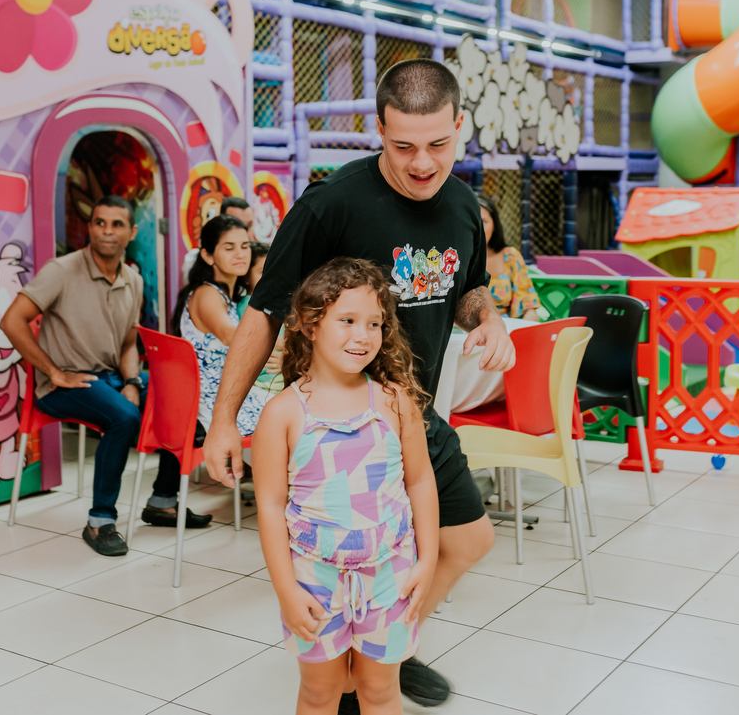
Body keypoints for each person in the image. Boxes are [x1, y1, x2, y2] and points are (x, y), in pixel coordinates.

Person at [204, 58, 513, 712]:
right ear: (378, 129)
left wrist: (490, 318)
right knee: (343, 559)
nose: (422, 163)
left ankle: (384, 650)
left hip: (415, 414)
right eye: (403, 146)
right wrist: (226, 417)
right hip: (342, 423)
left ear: (460, 126)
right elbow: (263, 309)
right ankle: (354, 672)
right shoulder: (331, 204)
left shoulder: (462, 205)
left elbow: (469, 289)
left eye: (437, 144)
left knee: (468, 539)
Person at [254, 258, 438, 715]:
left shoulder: (395, 401)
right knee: (321, 692)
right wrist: (286, 591)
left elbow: (420, 480)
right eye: (348, 321)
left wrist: (428, 558)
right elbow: (270, 506)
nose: (363, 335)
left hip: (390, 572)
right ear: (310, 326)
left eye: (375, 323)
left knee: (379, 690)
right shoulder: (282, 414)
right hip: (313, 578)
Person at [1, 195, 212, 558]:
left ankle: (162, 503)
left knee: (184, 409)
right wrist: (53, 371)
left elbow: (129, 343)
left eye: (116, 225)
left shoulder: (132, 279)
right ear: (90, 227)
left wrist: (133, 382)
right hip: (63, 385)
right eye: (100, 223)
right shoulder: (62, 270)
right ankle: (100, 521)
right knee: (125, 418)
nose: (107, 231)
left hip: (111, 380)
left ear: (131, 232)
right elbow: (11, 321)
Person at [172, 215, 267, 434]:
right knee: (290, 416)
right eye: (229, 248)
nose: (240, 254)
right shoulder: (207, 294)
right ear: (207, 255)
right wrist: (283, 344)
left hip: (230, 388)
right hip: (214, 399)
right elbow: (229, 335)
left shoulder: (228, 294)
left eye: (245, 246)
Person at [478, 195, 541, 320]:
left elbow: (528, 307)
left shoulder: (511, 256)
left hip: (505, 330)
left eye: (484, 222)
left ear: (494, 225)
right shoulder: (452, 259)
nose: (478, 229)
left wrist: (528, 323)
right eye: (471, 222)